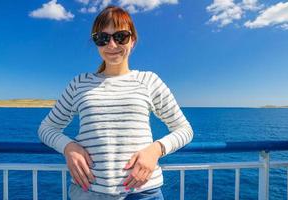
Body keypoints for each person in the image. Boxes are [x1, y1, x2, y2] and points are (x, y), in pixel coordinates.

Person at [38, 5, 193, 200]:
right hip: (88, 192)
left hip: (143, 193)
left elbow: (184, 129)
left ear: (133, 41)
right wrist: (68, 147)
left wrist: (155, 150)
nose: (111, 45)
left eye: (120, 36)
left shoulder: (148, 81)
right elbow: (47, 128)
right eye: (102, 38)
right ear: (96, 43)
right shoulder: (79, 83)